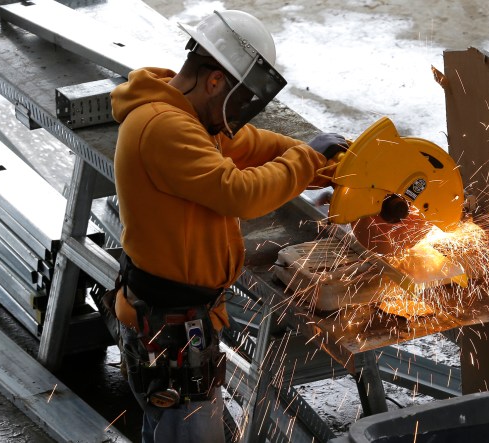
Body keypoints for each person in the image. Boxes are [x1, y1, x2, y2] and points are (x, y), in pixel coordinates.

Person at [110, 9, 346, 442]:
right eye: (241, 98)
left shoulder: (188, 114)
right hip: (171, 328)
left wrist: (333, 169)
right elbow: (239, 192)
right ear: (215, 80)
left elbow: (253, 146)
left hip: (178, 317)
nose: (241, 112)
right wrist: (308, 157)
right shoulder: (163, 126)